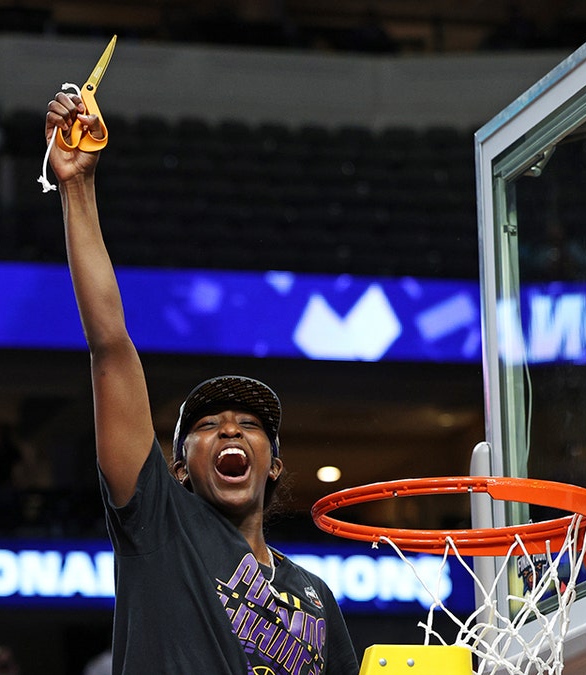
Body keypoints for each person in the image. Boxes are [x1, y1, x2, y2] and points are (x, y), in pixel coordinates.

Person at [44, 91, 360, 674]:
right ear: (180, 466)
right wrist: (77, 186)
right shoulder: (159, 521)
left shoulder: (317, 597)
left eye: (250, 426)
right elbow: (110, 345)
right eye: (208, 426)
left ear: (276, 463)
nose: (231, 431)